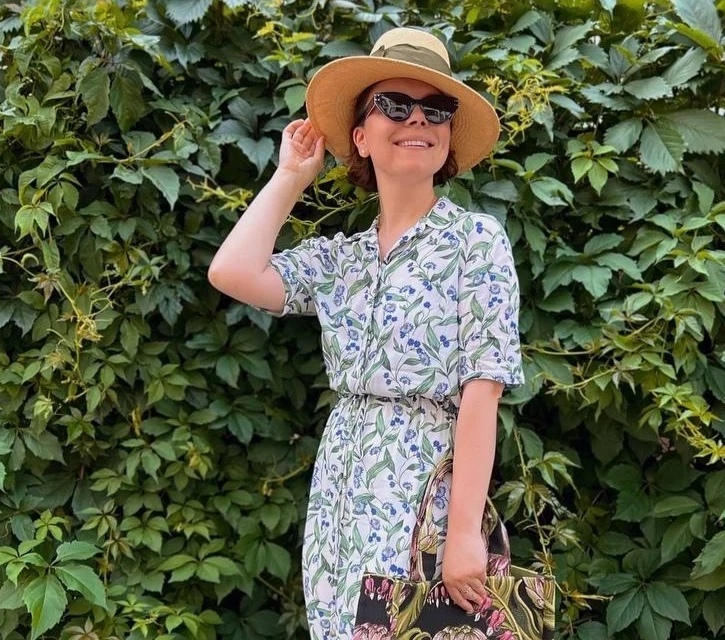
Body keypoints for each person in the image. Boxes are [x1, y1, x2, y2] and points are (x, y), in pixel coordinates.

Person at [207, 26, 525, 640]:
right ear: (360, 136)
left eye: (436, 109)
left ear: (448, 134)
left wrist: (464, 533)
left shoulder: (475, 241)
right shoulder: (341, 260)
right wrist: (290, 176)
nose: (418, 119)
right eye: (394, 105)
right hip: (341, 494)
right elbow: (232, 271)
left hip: (424, 495)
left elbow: (483, 393)